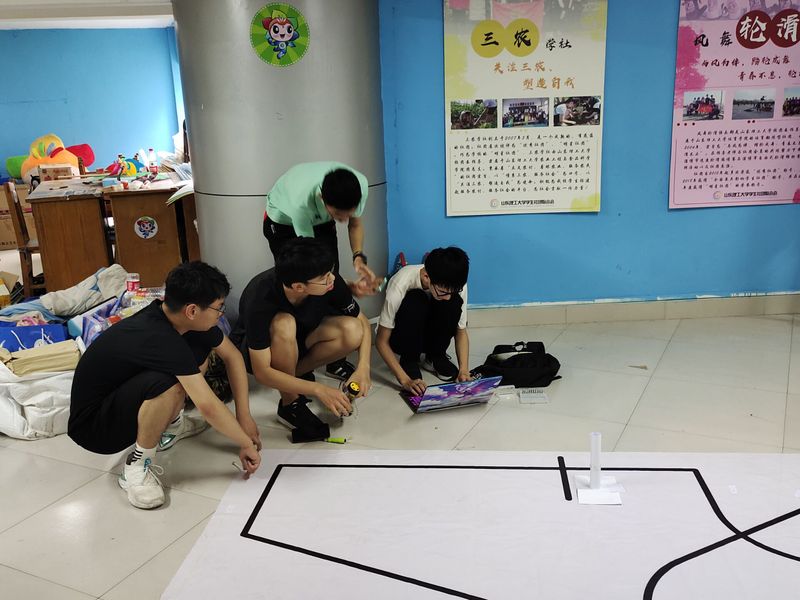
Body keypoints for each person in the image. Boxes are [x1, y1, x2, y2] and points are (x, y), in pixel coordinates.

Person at [68, 262, 262, 510]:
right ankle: (137, 467)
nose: (220, 314)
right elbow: (207, 406)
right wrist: (245, 442)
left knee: (197, 350)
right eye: (218, 307)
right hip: (95, 427)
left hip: (120, 395)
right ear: (192, 310)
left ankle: (170, 426)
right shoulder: (158, 335)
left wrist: (244, 416)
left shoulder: (179, 319)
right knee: (170, 385)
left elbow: (232, 356)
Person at [230, 237, 372, 436]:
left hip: (301, 342)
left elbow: (362, 321)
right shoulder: (260, 297)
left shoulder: (330, 281)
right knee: (284, 323)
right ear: (298, 287)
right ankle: (290, 403)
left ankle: (294, 379)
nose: (331, 279)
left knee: (353, 329)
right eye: (324, 278)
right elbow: (262, 372)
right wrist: (317, 389)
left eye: (330, 272)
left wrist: (363, 368)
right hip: (260, 355)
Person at [262, 161, 379, 381]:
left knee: (329, 279)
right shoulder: (301, 203)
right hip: (283, 223)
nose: (343, 220)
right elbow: (313, 263)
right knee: (304, 284)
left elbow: (354, 224)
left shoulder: (359, 185)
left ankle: (334, 358)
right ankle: (298, 357)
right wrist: (342, 284)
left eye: (347, 214)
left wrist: (358, 258)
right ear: (322, 199)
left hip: (321, 219)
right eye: (339, 215)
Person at [375, 247, 472, 397]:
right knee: (416, 298)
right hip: (402, 337)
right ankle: (409, 360)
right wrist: (405, 380)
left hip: (430, 332)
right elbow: (381, 341)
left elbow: (461, 332)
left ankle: (435, 357)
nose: (447, 296)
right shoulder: (400, 282)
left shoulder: (455, 284)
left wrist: (464, 370)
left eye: (452, 292)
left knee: (453, 303)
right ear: (427, 276)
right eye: (443, 292)